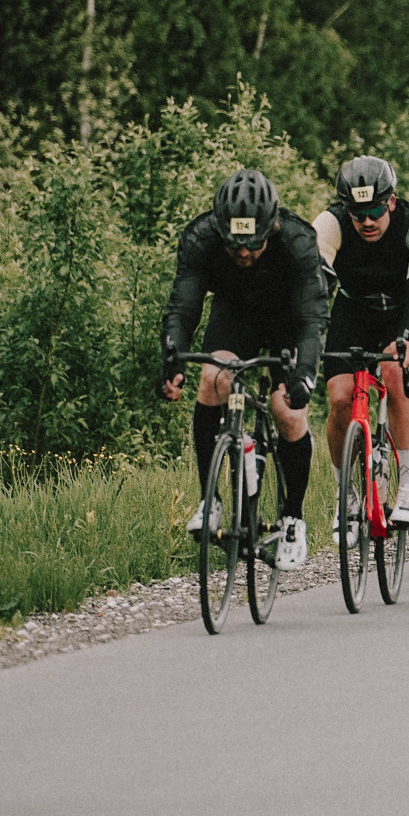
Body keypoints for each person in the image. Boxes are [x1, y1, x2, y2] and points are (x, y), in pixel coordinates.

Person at [162, 167, 327, 571]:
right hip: (235, 314)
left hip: (288, 317)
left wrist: (304, 373)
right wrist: (172, 356)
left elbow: (312, 318)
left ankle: (293, 518)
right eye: (234, 245)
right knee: (213, 377)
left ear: (271, 227)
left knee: (287, 411)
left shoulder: (297, 241)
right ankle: (211, 500)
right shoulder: (201, 238)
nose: (244, 254)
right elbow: (183, 305)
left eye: (254, 244)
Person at [314, 157, 409, 527]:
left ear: (391, 200)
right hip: (354, 311)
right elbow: (316, 283)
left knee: (393, 368)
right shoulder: (330, 223)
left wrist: (406, 340)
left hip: (408, 309)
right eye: (357, 213)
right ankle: (347, 495)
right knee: (339, 396)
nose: (366, 221)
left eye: (373, 210)